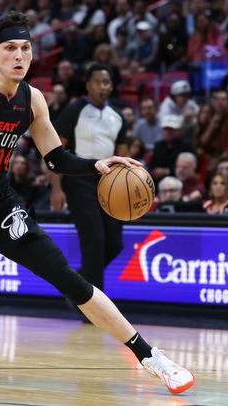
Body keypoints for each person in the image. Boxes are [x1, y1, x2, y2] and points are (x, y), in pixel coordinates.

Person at [0, 10, 195, 394]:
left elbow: (55, 159)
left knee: (70, 279)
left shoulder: (32, 99)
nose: (19, 56)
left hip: (1, 206)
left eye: (26, 49)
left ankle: (151, 357)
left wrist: (97, 165)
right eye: (10, 48)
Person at [48, 64, 128, 295]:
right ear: (88, 85)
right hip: (79, 180)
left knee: (114, 243)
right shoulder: (74, 110)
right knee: (94, 242)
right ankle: (91, 308)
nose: (102, 87)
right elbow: (56, 153)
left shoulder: (118, 116)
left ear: (111, 86)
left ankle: (78, 282)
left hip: (109, 183)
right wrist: (56, 189)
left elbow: (123, 156)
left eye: (106, 82)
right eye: (97, 82)